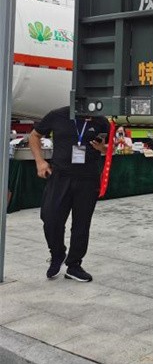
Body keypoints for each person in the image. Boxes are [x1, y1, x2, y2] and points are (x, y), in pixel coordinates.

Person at [28, 106, 109, 282]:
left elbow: (110, 149)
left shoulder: (101, 121)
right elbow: (34, 136)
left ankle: (74, 265)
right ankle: (57, 254)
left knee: (81, 224)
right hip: (60, 177)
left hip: (88, 179)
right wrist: (40, 162)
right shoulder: (57, 115)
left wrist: (102, 148)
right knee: (50, 219)